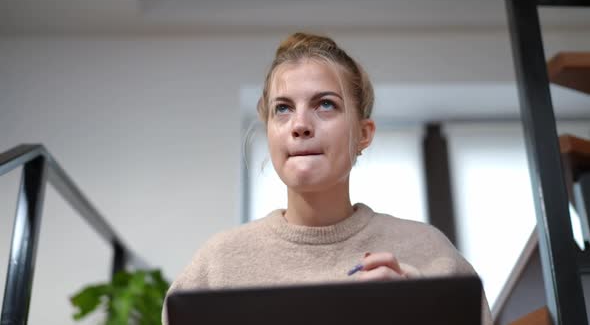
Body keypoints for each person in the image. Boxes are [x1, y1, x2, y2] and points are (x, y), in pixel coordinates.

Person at [163, 32, 492, 324]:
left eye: (325, 105)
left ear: (364, 134)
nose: (300, 124)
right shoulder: (216, 266)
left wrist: (419, 310)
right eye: (283, 109)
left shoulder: (431, 255)